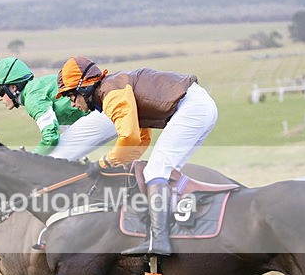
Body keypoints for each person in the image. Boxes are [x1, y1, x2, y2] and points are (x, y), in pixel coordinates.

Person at [56, 57, 218, 256]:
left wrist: (103, 163)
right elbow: (142, 137)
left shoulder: (111, 93)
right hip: (198, 106)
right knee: (162, 172)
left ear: (84, 88)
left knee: (156, 171)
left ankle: (159, 240)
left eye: (71, 96)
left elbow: (129, 137)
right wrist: (120, 162)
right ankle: (175, 226)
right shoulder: (112, 89)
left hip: (192, 109)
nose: (72, 104)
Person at [0, 57, 116, 160]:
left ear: (12, 88)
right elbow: (64, 128)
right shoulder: (37, 86)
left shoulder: (32, 98)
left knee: (51, 160)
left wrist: (31, 159)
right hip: (108, 111)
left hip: (106, 113)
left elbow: (51, 138)